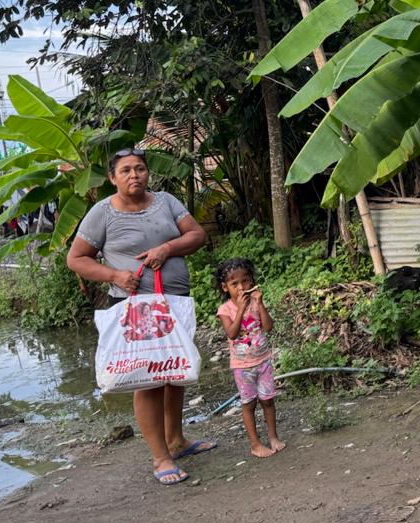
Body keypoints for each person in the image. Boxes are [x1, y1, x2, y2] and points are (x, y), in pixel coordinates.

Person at [67, 147, 212, 486]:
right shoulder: (102, 213)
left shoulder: (166, 202)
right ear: (112, 178)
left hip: (174, 302)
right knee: (147, 378)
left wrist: (167, 248)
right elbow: (76, 259)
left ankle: (177, 441)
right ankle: (160, 457)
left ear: (148, 173)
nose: (134, 175)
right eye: (126, 170)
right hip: (136, 308)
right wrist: (114, 275)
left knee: (175, 371)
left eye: (140, 169)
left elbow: (197, 235)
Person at [215, 257, 285, 458]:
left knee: (268, 400)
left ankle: (273, 437)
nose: (241, 287)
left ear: (252, 281)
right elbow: (232, 333)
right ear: (225, 287)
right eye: (234, 284)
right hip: (242, 366)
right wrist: (240, 310)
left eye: (245, 281)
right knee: (249, 404)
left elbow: (268, 327)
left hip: (263, 361)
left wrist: (260, 304)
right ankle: (255, 444)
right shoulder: (225, 310)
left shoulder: (256, 303)